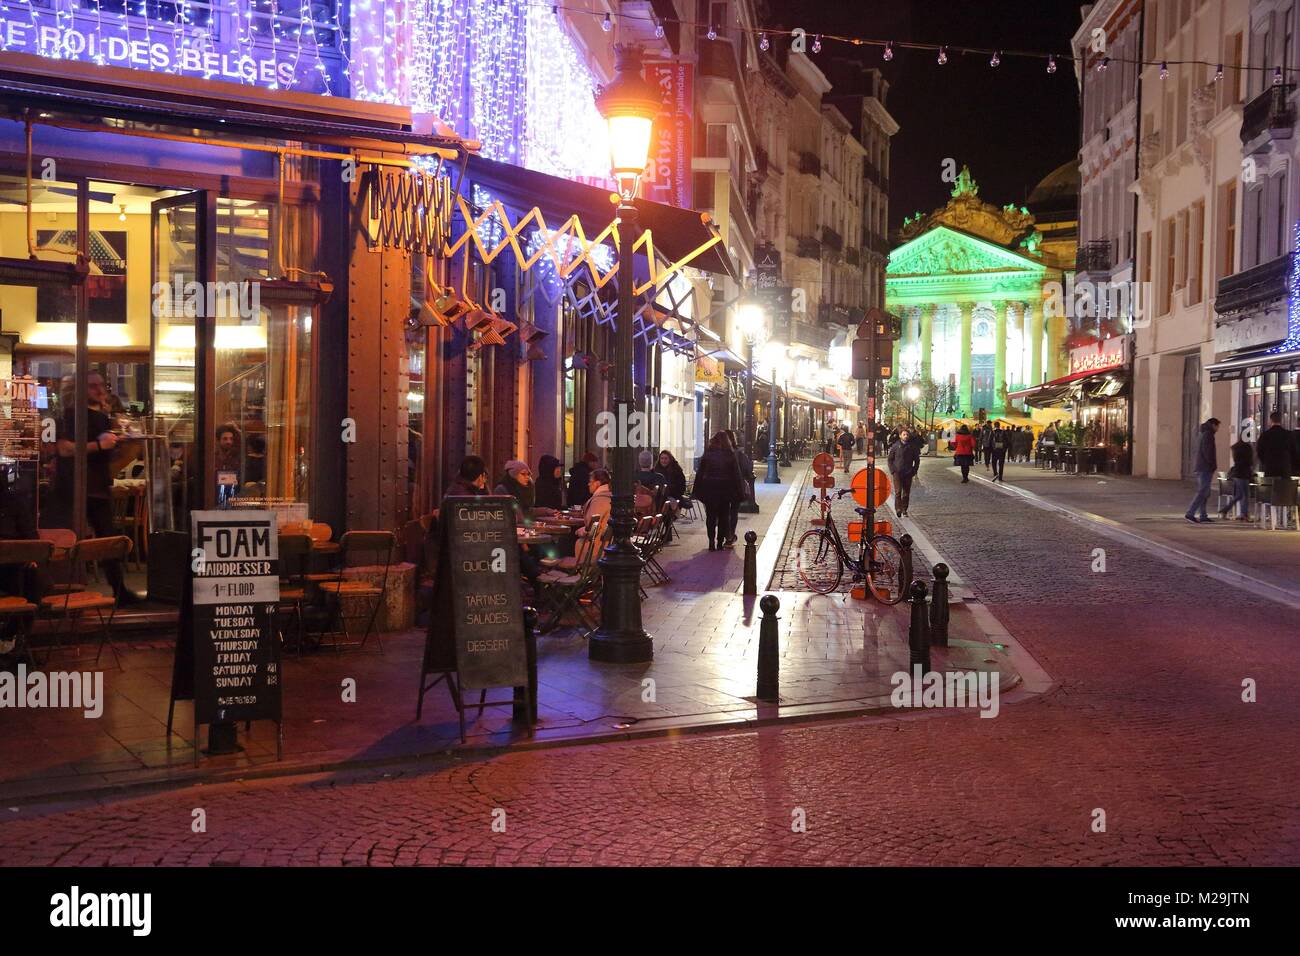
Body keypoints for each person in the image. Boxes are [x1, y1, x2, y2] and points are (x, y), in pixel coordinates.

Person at [52, 371, 141, 605]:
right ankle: (59, 592)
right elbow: (65, 449)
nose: (100, 390)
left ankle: (119, 590)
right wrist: (100, 444)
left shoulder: (102, 418)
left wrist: (128, 446)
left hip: (97, 487)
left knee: (108, 540)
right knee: (66, 540)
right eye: (92, 386)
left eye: (102, 385)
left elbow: (108, 461)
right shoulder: (70, 415)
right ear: (79, 389)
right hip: (72, 487)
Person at [694, 431, 745, 551]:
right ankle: (720, 542)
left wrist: (697, 490)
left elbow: (700, 473)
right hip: (725, 491)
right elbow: (736, 475)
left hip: (710, 490)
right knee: (723, 517)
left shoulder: (708, 454)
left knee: (711, 517)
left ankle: (711, 541)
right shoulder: (730, 455)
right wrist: (739, 491)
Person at [1256, 411, 1297, 522]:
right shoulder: (1288, 435)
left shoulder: (1265, 435)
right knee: (1284, 495)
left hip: (1270, 470)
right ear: (1281, 420)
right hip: (1284, 470)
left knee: (1271, 494)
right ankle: (1283, 518)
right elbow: (1294, 452)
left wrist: (1265, 462)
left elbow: (1259, 451)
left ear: (1271, 421)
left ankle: (1272, 516)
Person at [1184, 418, 1220, 524]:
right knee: (1202, 491)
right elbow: (1208, 451)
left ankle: (1203, 515)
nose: (1218, 429)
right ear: (1214, 425)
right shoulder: (1208, 435)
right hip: (1205, 468)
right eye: (1217, 426)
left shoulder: (1203, 433)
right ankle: (1190, 513)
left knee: (1205, 492)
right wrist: (1212, 465)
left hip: (1201, 466)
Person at [1219, 434, 1255, 521]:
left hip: (1237, 473)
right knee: (1244, 495)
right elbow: (1250, 462)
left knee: (1240, 495)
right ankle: (1244, 514)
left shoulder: (1235, 447)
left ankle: (1228, 510)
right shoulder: (1247, 447)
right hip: (1244, 473)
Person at [887, 426, 921, 517]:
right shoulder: (895, 446)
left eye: (907, 435)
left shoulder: (912, 447)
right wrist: (893, 470)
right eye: (904, 434)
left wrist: (914, 470)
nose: (906, 436)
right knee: (898, 492)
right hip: (897, 472)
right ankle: (898, 509)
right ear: (900, 436)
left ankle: (904, 509)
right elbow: (890, 459)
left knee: (906, 493)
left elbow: (917, 460)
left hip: (908, 472)